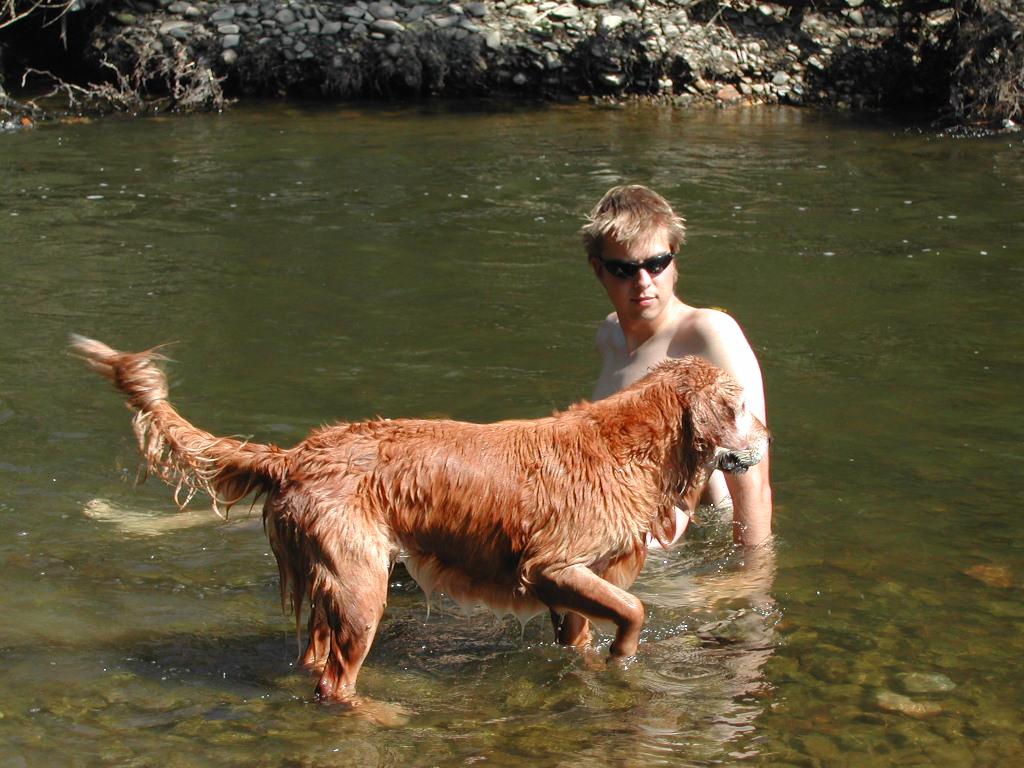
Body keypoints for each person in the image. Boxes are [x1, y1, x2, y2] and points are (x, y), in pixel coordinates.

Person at [580, 185, 772, 548]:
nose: (643, 282)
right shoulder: (609, 335)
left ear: (674, 257)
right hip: (621, 532)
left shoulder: (708, 334)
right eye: (624, 269)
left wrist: (752, 589)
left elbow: (753, 480)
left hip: (693, 543)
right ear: (598, 269)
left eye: (656, 264)